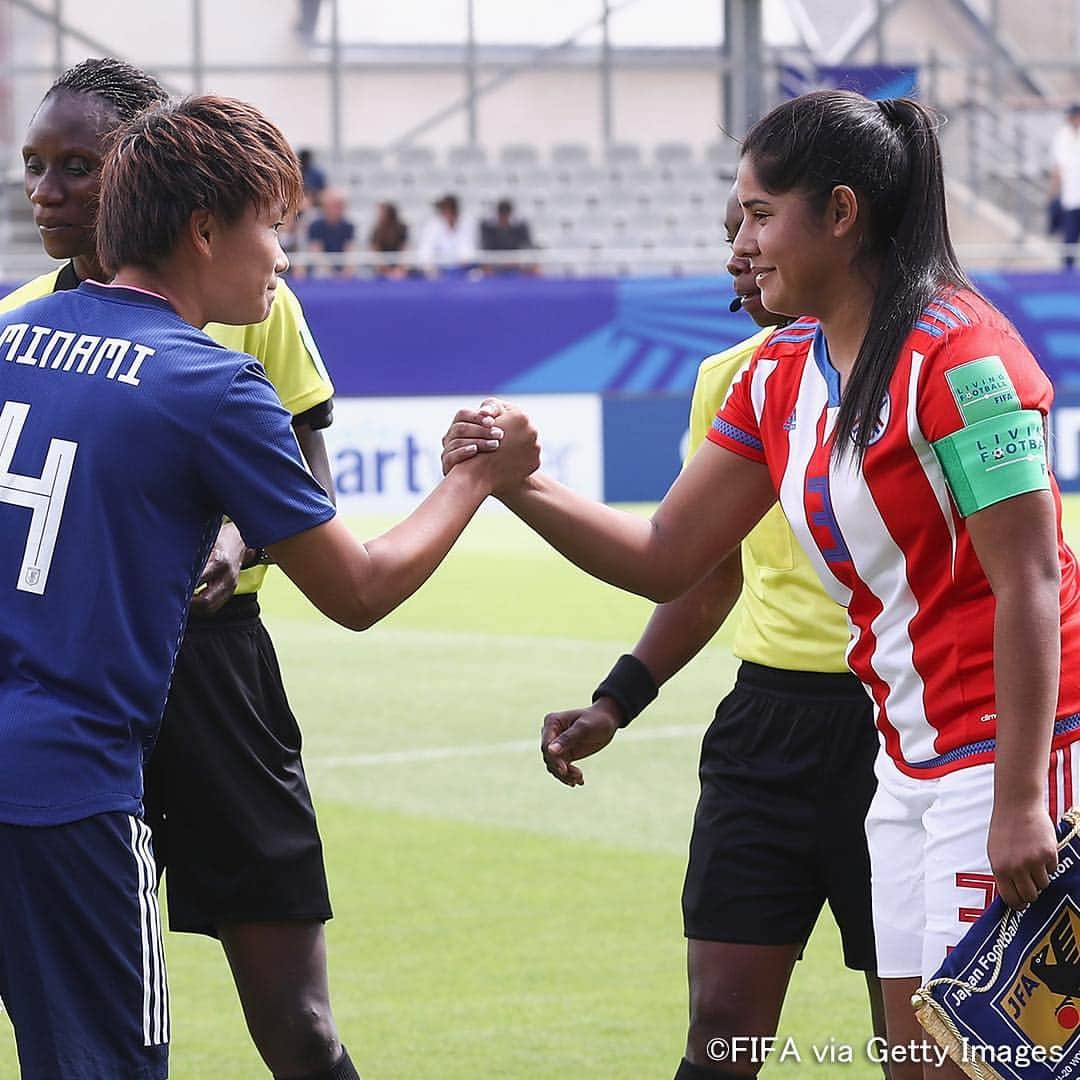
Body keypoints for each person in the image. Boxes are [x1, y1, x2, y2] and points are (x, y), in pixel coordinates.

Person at [444, 90, 1080, 1080]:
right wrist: (511, 481)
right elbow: (666, 554)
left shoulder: (967, 360)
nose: (741, 243)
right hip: (905, 760)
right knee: (918, 1066)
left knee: (983, 1068)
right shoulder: (778, 371)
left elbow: (1033, 581)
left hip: (1011, 756)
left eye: (757, 214)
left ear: (840, 212)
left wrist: (1019, 803)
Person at [0, 92, 538, 1080]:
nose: (284, 257)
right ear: (205, 231)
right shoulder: (211, 380)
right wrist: (476, 480)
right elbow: (359, 589)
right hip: (70, 790)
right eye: (272, 228)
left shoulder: (13, 339)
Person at [0, 57, 349, 1080]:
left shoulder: (251, 303)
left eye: (82, 165)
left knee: (297, 1019)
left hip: (207, 668)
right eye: (38, 166)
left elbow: (303, 470)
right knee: (79, 1006)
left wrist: (239, 542)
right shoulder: (21, 315)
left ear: (152, 178)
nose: (53, 191)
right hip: (68, 672)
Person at [519, 184, 884, 1079]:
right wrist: (618, 699)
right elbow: (700, 568)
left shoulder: (925, 363)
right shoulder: (736, 379)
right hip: (765, 732)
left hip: (904, 730)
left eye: (755, 225)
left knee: (919, 1046)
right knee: (721, 1035)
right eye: (730, 231)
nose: (737, 251)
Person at [1050, 103, 1080, 270]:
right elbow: (1058, 167)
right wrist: (1054, 192)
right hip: (1071, 197)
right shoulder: (1062, 136)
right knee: (1070, 237)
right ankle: (1067, 272)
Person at [417, 193, 476, 277]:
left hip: (462, 270)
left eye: (449, 210)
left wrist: (464, 262)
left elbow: (468, 251)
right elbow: (425, 251)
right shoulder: (432, 225)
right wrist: (430, 268)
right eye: (444, 209)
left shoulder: (467, 223)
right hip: (438, 270)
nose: (446, 213)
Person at [307, 187, 356, 277]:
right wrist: (331, 273)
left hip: (342, 269)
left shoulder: (348, 226)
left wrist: (346, 271)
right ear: (326, 206)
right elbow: (316, 253)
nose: (338, 209)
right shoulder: (316, 225)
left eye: (341, 206)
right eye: (336, 206)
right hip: (322, 269)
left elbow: (350, 251)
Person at [479, 197, 535, 274]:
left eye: (506, 216)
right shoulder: (488, 228)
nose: (504, 220)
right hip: (495, 266)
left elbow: (526, 245)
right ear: (498, 215)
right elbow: (486, 247)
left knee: (534, 268)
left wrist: (516, 261)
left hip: (516, 265)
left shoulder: (520, 228)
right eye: (502, 216)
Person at [368, 200, 409, 279]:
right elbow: (375, 252)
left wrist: (399, 269)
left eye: (381, 212)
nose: (378, 215)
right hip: (381, 270)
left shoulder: (401, 228)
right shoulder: (376, 230)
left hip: (399, 269)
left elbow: (404, 251)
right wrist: (387, 271)